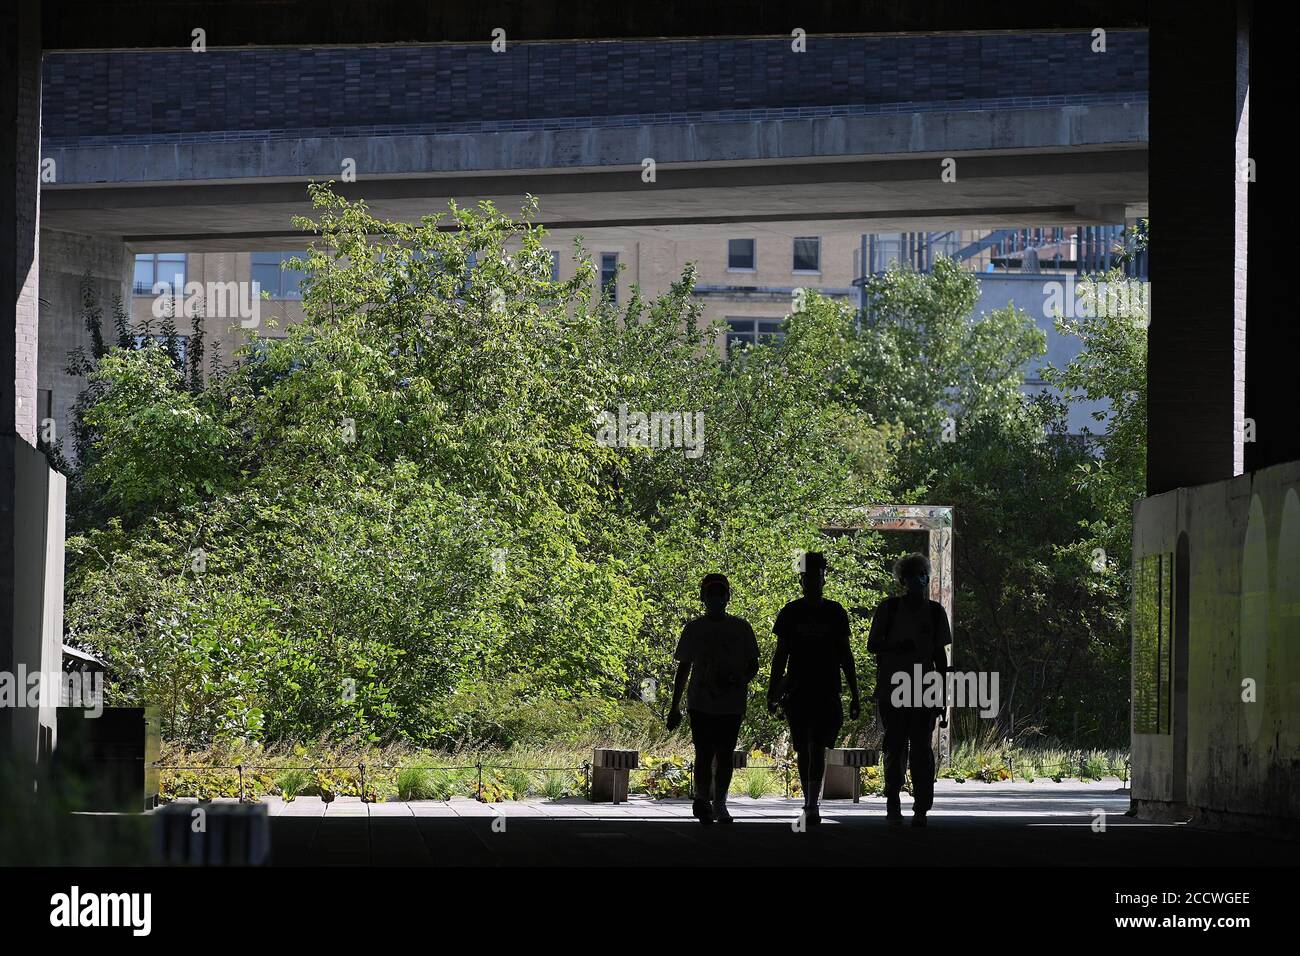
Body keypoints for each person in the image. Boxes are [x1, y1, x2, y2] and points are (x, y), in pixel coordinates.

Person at [767, 552, 860, 826]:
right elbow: (779, 655)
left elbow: (846, 655)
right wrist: (773, 691)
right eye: (810, 576)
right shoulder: (791, 612)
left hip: (826, 689)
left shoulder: (835, 612)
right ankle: (810, 802)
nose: (814, 581)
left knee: (817, 747)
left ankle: (811, 803)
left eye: (818, 576)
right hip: (798, 690)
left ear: (823, 578)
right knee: (805, 748)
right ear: (802, 580)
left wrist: (854, 693)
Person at [867, 553, 952, 828]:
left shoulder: (936, 612)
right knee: (894, 746)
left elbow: (941, 657)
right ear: (902, 580)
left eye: (922, 574)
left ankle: (921, 807)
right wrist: (895, 647)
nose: (919, 579)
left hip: (924, 690)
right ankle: (893, 800)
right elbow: (872, 645)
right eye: (913, 574)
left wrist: (943, 695)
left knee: (920, 750)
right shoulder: (889, 609)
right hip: (893, 688)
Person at [667, 573, 760, 825]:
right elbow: (683, 668)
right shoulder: (694, 629)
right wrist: (675, 706)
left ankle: (719, 802)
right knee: (704, 752)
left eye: (720, 593)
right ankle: (703, 799)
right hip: (701, 701)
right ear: (703, 597)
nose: (716, 598)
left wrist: (738, 680)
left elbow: (754, 664)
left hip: (731, 702)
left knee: (725, 753)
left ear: (728, 597)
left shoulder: (741, 628)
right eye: (711, 594)